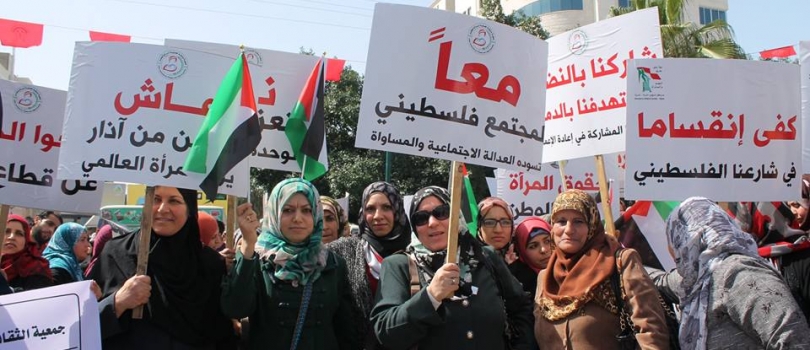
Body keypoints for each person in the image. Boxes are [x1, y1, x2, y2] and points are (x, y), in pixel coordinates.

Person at [372, 186, 533, 350]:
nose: (432, 223)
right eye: (421, 218)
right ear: (414, 226)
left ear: (457, 216)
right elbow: (386, 332)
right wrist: (430, 296)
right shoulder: (399, 265)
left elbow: (521, 307)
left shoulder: (484, 256)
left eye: (441, 212)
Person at [89, 186, 235, 349]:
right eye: (156, 199)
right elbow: (85, 327)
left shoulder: (210, 264)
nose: (163, 209)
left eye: (174, 201)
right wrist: (118, 302)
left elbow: (222, 334)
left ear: (190, 209)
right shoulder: (115, 253)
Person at [222, 178, 359, 350]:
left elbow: (344, 329)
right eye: (287, 210)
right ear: (273, 214)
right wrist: (248, 245)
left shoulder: (332, 263)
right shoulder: (258, 259)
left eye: (306, 210)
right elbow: (236, 308)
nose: (297, 218)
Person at [667, 197, 810, 349]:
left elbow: (793, 339)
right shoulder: (700, 278)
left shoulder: (738, 272)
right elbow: (664, 281)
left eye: (673, 240)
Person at [535, 189, 669, 349]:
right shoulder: (545, 277)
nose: (569, 229)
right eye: (561, 221)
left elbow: (651, 331)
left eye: (579, 221)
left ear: (592, 224)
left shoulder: (619, 262)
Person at [325, 181, 411, 348]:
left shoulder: (414, 256)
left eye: (386, 207)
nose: (378, 216)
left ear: (398, 210)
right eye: (370, 209)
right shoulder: (341, 251)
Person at [2, 214, 52, 291]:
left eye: (19, 234)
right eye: (6, 231)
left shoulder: (37, 269)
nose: (11, 237)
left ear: (26, 240)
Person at [508, 217, 553, 300]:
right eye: (533, 246)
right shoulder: (517, 284)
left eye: (547, 241)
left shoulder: (572, 270)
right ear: (522, 251)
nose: (543, 250)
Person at [477, 197, 516, 262]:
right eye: (489, 223)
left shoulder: (527, 266)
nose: (498, 230)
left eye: (505, 222)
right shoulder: (463, 266)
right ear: (478, 227)